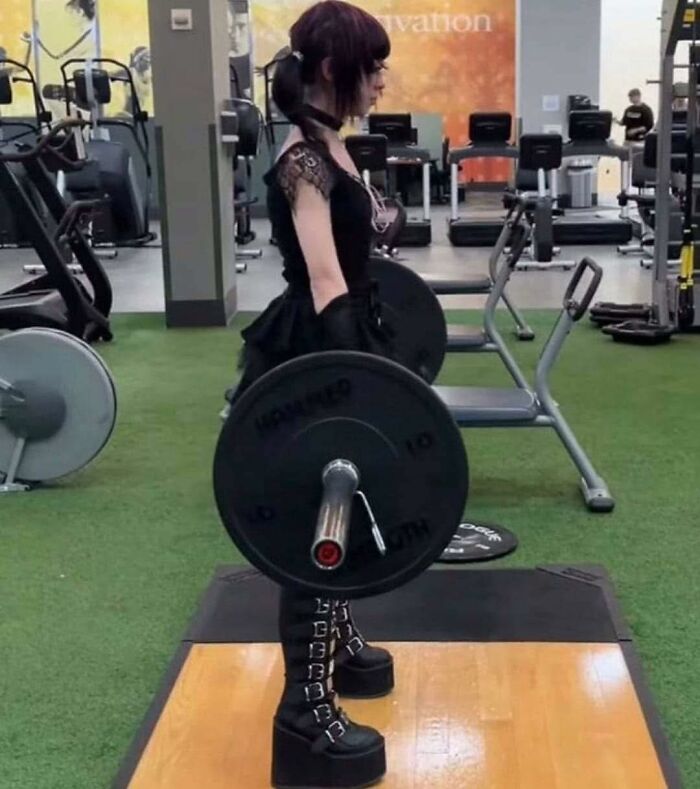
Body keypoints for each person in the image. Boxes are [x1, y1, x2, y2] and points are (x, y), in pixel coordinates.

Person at [226, 2, 394, 787]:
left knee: (348, 491)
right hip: (315, 345)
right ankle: (304, 711)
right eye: (374, 62)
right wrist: (358, 378)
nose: (383, 76)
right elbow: (326, 278)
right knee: (316, 515)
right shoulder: (303, 159)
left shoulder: (332, 142)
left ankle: (341, 638)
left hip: (341, 333)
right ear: (334, 70)